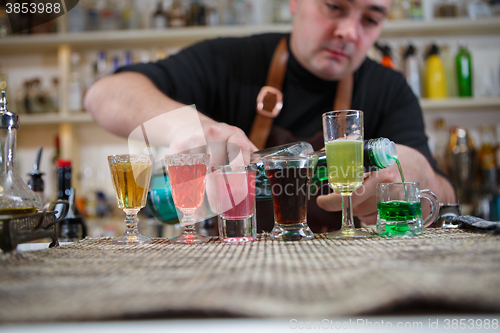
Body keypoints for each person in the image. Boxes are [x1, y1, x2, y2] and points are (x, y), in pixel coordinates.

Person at [85, 0, 456, 232]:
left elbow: (445, 196)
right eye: (334, 6)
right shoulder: (231, 61)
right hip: (232, 276)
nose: (348, 31)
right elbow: (104, 95)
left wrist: (414, 173)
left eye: (371, 19)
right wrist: (186, 125)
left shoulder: (389, 89)